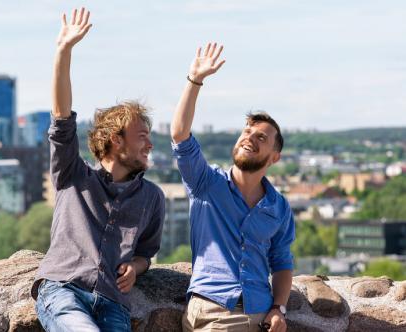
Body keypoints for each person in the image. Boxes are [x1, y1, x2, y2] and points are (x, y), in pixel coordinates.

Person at [31, 7, 165, 332]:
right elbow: (62, 119)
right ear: (116, 141)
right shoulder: (73, 175)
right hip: (63, 290)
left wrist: (135, 266)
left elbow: (146, 253)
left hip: (113, 304)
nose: (149, 145)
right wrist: (63, 51)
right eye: (142, 137)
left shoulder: (152, 198)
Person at [171, 43, 295, 332]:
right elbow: (180, 135)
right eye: (247, 131)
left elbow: (281, 262)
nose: (250, 138)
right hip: (215, 311)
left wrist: (279, 308)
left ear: (274, 157)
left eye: (261, 138)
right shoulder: (206, 184)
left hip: (262, 315)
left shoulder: (278, 207)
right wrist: (195, 80)